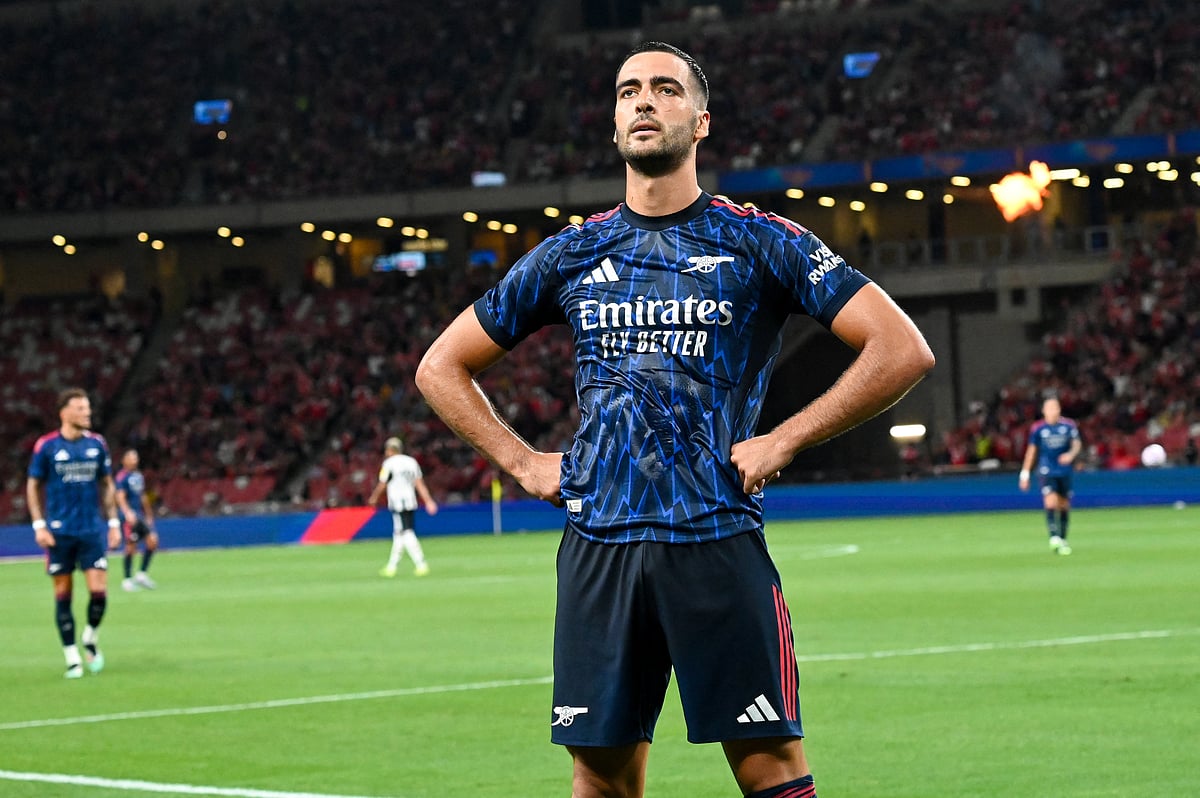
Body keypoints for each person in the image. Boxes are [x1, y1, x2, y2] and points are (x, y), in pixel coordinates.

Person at [415, 42, 935, 798]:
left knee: (770, 768)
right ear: (615, 119)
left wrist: (786, 437)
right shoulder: (573, 251)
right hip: (599, 548)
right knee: (600, 777)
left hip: (715, 539)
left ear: (701, 120)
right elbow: (440, 365)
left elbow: (901, 348)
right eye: (629, 92)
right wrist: (525, 462)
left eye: (665, 89)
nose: (644, 102)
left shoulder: (759, 240)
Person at [26, 387, 122, 678]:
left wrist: (114, 522)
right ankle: (72, 658)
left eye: (87, 408)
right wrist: (39, 525)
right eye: (80, 408)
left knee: (99, 593)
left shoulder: (97, 444)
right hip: (59, 533)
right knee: (63, 594)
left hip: (91, 530)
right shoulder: (47, 446)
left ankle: (90, 637)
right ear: (64, 413)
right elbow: (32, 485)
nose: (87, 413)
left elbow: (106, 484)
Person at [1018, 396, 1082, 555]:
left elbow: (1077, 444)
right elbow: (1032, 451)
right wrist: (1025, 474)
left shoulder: (1068, 426)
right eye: (1050, 408)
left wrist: (1071, 455)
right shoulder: (1038, 429)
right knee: (1050, 502)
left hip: (1064, 471)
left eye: (1056, 407)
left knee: (1064, 505)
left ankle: (1063, 539)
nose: (1053, 411)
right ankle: (1054, 538)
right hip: (1046, 470)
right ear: (1044, 411)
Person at [367, 437, 437, 577]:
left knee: (406, 533)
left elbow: (383, 483)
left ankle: (421, 563)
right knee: (398, 534)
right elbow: (419, 484)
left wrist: (374, 497)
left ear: (390, 450)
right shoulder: (411, 462)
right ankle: (392, 566)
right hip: (410, 501)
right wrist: (428, 501)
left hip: (398, 502)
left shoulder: (389, 464)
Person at [115, 448, 159, 591]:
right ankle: (127, 579)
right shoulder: (121, 477)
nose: (135, 460)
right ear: (124, 460)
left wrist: (149, 514)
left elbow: (142, 496)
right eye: (132, 458)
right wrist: (127, 513)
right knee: (130, 546)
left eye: (136, 457)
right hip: (129, 517)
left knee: (152, 541)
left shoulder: (138, 476)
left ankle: (141, 574)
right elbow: (120, 497)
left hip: (139, 515)